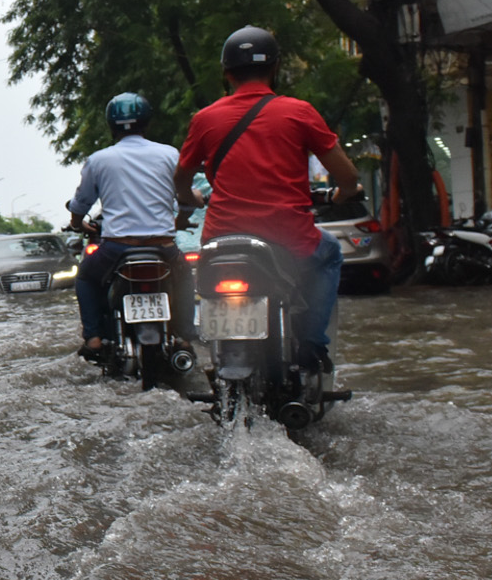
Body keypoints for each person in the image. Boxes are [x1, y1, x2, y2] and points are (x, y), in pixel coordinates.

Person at [174, 26, 364, 376]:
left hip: (220, 240)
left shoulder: (205, 119)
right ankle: (311, 346)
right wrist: (343, 194)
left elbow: (181, 182)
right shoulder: (300, 112)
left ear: (226, 73)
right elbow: (348, 177)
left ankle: (219, 356)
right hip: (288, 238)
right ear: (275, 68)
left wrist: (190, 201)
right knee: (331, 253)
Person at [68, 92, 193, 360]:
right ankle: (183, 337)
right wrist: (180, 219)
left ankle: (94, 339)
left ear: (111, 125)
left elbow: (81, 203)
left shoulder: (99, 160)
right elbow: (186, 196)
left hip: (117, 249)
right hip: (163, 247)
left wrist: (77, 223)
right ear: (146, 121)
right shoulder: (169, 154)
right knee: (185, 277)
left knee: (86, 279)